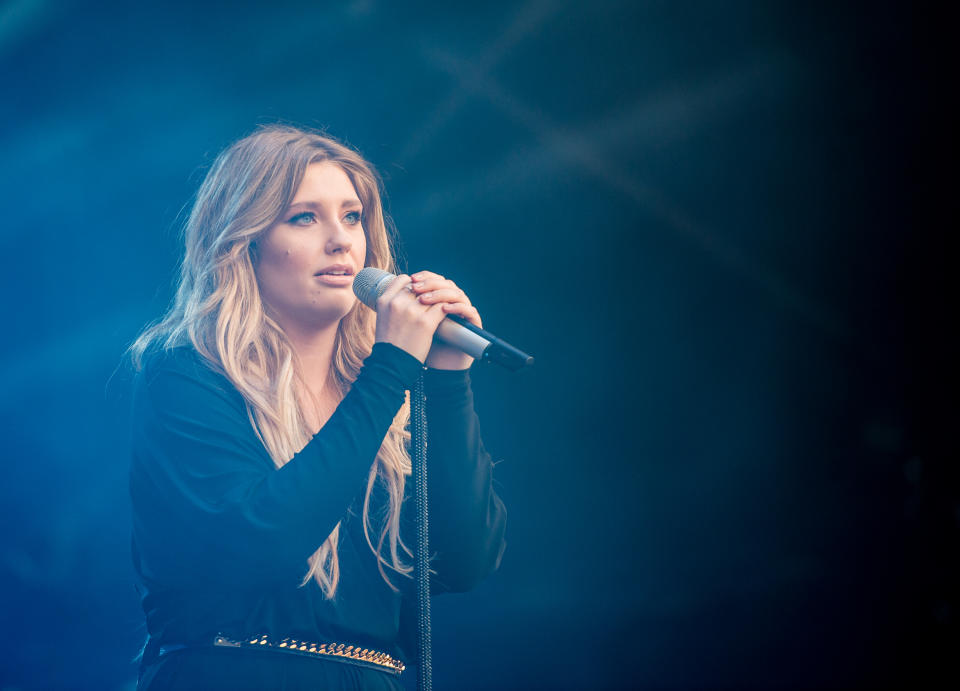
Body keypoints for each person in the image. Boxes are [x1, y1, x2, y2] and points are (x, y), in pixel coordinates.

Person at [128, 125, 507, 690]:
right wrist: (391, 367)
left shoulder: (386, 397)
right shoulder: (186, 374)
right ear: (243, 240)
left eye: (352, 217)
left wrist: (449, 382)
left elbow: (464, 560)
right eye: (304, 217)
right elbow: (261, 540)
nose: (342, 241)